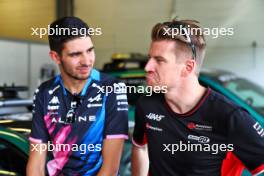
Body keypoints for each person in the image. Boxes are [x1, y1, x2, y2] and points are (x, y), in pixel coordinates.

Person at [131, 19, 264, 176]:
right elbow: (140, 147)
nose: (147, 67)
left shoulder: (231, 117)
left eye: (159, 60)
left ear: (187, 68)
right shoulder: (147, 105)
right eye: (150, 58)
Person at [26, 16, 128, 176]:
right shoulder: (44, 92)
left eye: (90, 50)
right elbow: (36, 164)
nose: (86, 61)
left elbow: (110, 169)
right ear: (55, 57)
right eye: (75, 54)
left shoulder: (112, 89)